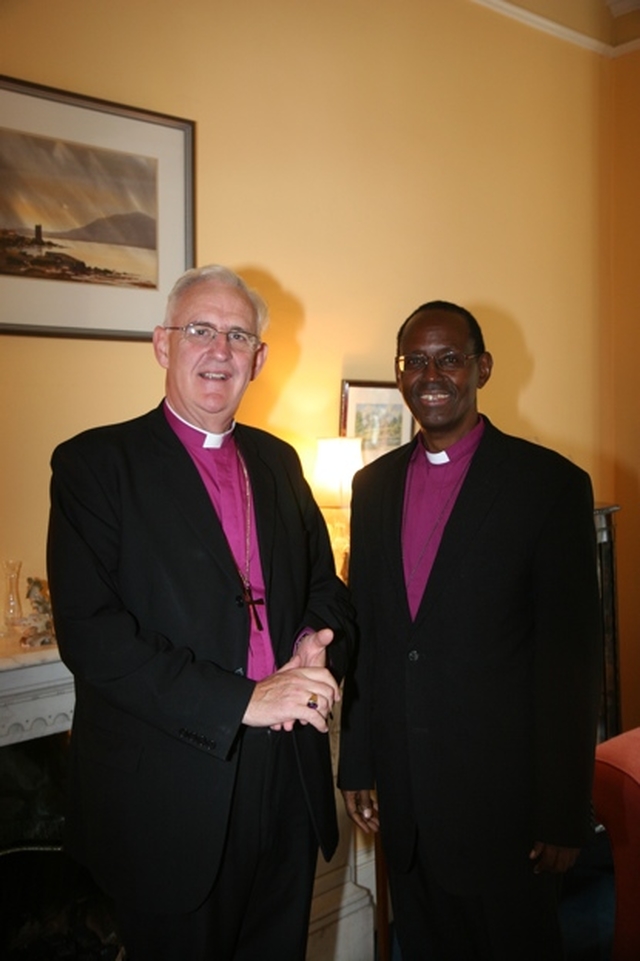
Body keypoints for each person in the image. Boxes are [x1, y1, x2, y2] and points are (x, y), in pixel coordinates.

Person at [47, 264, 355, 961]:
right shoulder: (96, 465)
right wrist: (242, 699)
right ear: (162, 344)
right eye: (200, 331)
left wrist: (310, 638)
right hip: (166, 794)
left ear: (260, 358)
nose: (219, 350)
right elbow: (92, 637)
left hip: (286, 785)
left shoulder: (279, 461)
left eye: (238, 335)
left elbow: (323, 581)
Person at [338, 300, 602, 961]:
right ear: (401, 375)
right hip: (408, 803)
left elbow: (571, 662)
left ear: (481, 367)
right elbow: (368, 635)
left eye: (449, 358)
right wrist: (360, 763)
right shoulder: (370, 488)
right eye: (415, 361)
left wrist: (565, 810)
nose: (432, 374)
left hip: (507, 811)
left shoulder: (550, 485)